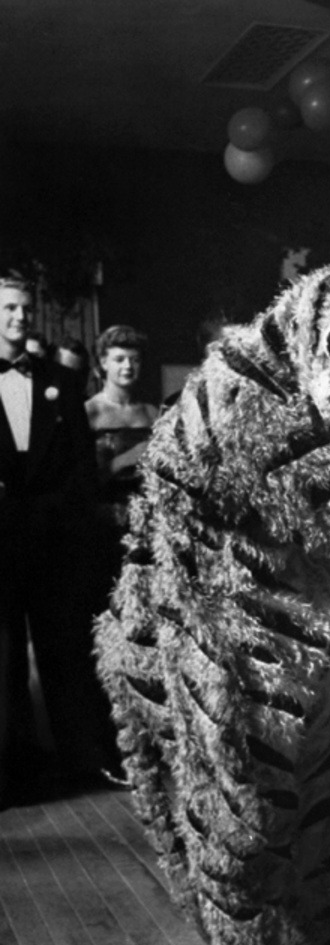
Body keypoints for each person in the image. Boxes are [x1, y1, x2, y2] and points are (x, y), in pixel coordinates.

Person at [0, 272, 105, 805]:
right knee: (4, 662)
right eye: (9, 309)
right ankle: (13, 777)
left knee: (66, 654)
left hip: (53, 545)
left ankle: (83, 763)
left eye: (25, 309)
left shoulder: (60, 385)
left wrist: (58, 524)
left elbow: (81, 473)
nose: (20, 318)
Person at [85, 325, 159, 606]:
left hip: (145, 523)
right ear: (103, 363)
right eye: (119, 359)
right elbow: (81, 478)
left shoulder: (152, 413)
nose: (127, 366)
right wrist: (126, 460)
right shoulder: (89, 412)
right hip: (102, 525)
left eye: (134, 359)